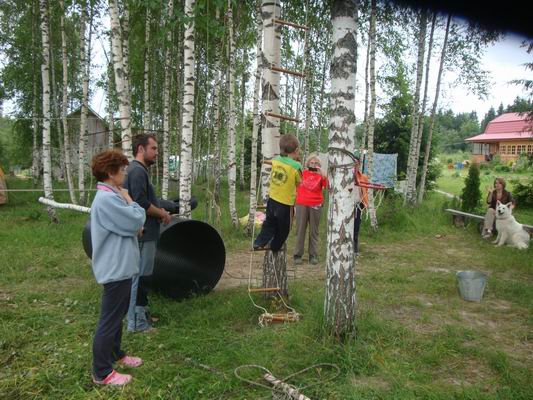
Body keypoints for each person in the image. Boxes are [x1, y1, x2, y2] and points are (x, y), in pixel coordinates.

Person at [90, 150, 146, 386]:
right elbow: (135, 221)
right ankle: (101, 372)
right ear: (111, 173)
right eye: (122, 170)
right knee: (109, 320)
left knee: (117, 315)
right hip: (114, 269)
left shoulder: (112, 196)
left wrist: (129, 210)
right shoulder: (108, 199)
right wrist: (131, 201)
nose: (125, 173)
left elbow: (131, 225)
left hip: (120, 267)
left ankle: (116, 354)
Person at [124, 134, 172, 333]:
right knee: (141, 277)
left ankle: (141, 315)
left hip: (148, 232)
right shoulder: (136, 171)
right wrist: (161, 213)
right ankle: (137, 324)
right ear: (141, 149)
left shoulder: (139, 171)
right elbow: (140, 202)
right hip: (144, 234)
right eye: (153, 148)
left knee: (144, 276)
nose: (156, 152)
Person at [253, 134, 302, 252]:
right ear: (296, 150)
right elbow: (299, 181)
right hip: (285, 203)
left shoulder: (275, 160)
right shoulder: (296, 165)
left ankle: (259, 242)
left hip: (272, 199)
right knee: (285, 227)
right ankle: (275, 246)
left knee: (269, 223)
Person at [293, 153, 327, 265]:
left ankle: (313, 255)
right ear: (308, 163)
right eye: (312, 162)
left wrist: (323, 174)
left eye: (316, 163)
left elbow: (328, 186)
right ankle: (297, 255)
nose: (314, 164)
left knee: (314, 231)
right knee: (300, 229)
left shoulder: (321, 175)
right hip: (301, 203)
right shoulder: (302, 173)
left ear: (319, 165)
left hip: (316, 204)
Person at [353, 156, 369, 255]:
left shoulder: (363, 177)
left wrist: (364, 204)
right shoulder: (344, 176)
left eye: (357, 164)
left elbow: (365, 192)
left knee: (356, 227)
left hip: (358, 205)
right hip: (347, 205)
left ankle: (355, 249)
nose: (355, 166)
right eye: (353, 164)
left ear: (359, 165)